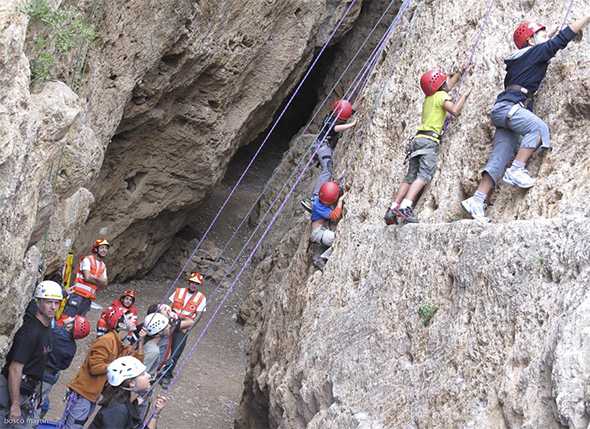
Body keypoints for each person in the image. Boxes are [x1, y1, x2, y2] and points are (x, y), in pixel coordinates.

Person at [462, 16, 590, 222]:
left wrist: (545, 37)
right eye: (542, 34)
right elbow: (561, 39)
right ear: (531, 40)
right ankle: (517, 170)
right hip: (511, 108)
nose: (546, 37)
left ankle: (477, 200)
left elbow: (546, 44)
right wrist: (586, 17)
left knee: (499, 156)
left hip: (502, 110)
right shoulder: (535, 52)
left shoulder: (518, 60)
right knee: (538, 129)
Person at [384, 67, 471, 225]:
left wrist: (459, 73)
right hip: (429, 141)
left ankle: (392, 208)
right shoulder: (441, 96)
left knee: (410, 177)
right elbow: (455, 110)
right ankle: (405, 207)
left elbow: (446, 86)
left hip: (417, 140)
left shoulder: (429, 98)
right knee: (424, 176)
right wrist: (464, 96)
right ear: (440, 85)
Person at [61, 307, 145, 429]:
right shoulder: (106, 341)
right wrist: (117, 366)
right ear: (120, 323)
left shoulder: (120, 344)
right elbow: (95, 367)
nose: (134, 319)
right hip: (84, 394)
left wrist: (140, 342)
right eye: (129, 317)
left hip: (92, 396)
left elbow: (136, 365)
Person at [0, 281, 63, 429]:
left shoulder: (47, 326)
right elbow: (15, 369)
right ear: (39, 301)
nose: (53, 307)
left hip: (27, 389)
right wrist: (15, 404)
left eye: (56, 302)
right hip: (15, 389)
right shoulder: (30, 332)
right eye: (49, 302)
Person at [301, 99, 357, 212]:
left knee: (325, 172)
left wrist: (360, 101)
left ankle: (315, 197)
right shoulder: (331, 120)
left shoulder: (334, 114)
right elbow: (335, 128)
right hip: (322, 147)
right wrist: (351, 125)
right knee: (327, 171)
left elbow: (349, 111)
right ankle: (314, 200)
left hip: (319, 145)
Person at [88, 356, 167, 429]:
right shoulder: (117, 411)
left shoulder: (131, 403)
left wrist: (156, 413)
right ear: (131, 383)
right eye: (142, 374)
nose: (148, 376)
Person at [39, 315, 91, 419]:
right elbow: (64, 366)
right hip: (50, 376)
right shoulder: (72, 347)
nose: (70, 317)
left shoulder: (55, 332)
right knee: (40, 403)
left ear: (70, 326)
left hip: (38, 370)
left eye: (72, 319)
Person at [160, 272, 206, 388]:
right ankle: (156, 370)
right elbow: (170, 305)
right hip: (171, 322)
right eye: (192, 282)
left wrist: (190, 328)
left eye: (196, 284)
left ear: (199, 285)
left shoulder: (201, 298)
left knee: (176, 351)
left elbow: (199, 315)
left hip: (183, 326)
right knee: (163, 347)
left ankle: (167, 375)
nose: (194, 285)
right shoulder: (179, 291)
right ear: (189, 282)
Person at [63, 239, 110, 317]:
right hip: (77, 295)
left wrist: (94, 278)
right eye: (102, 248)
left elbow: (105, 284)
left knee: (79, 323)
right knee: (67, 318)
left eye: (106, 248)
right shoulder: (87, 259)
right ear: (96, 249)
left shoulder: (103, 266)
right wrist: (99, 280)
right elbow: (87, 277)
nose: (104, 250)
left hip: (88, 298)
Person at [309, 181, 344, 271]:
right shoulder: (319, 206)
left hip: (323, 228)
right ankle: (322, 258)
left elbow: (331, 189)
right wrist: (340, 201)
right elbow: (335, 216)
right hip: (318, 233)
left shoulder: (320, 197)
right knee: (337, 239)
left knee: (330, 239)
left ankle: (321, 249)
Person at [141, 313, 170, 377]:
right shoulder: (153, 351)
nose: (169, 326)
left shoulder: (151, 344)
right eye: (167, 326)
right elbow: (142, 373)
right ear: (159, 331)